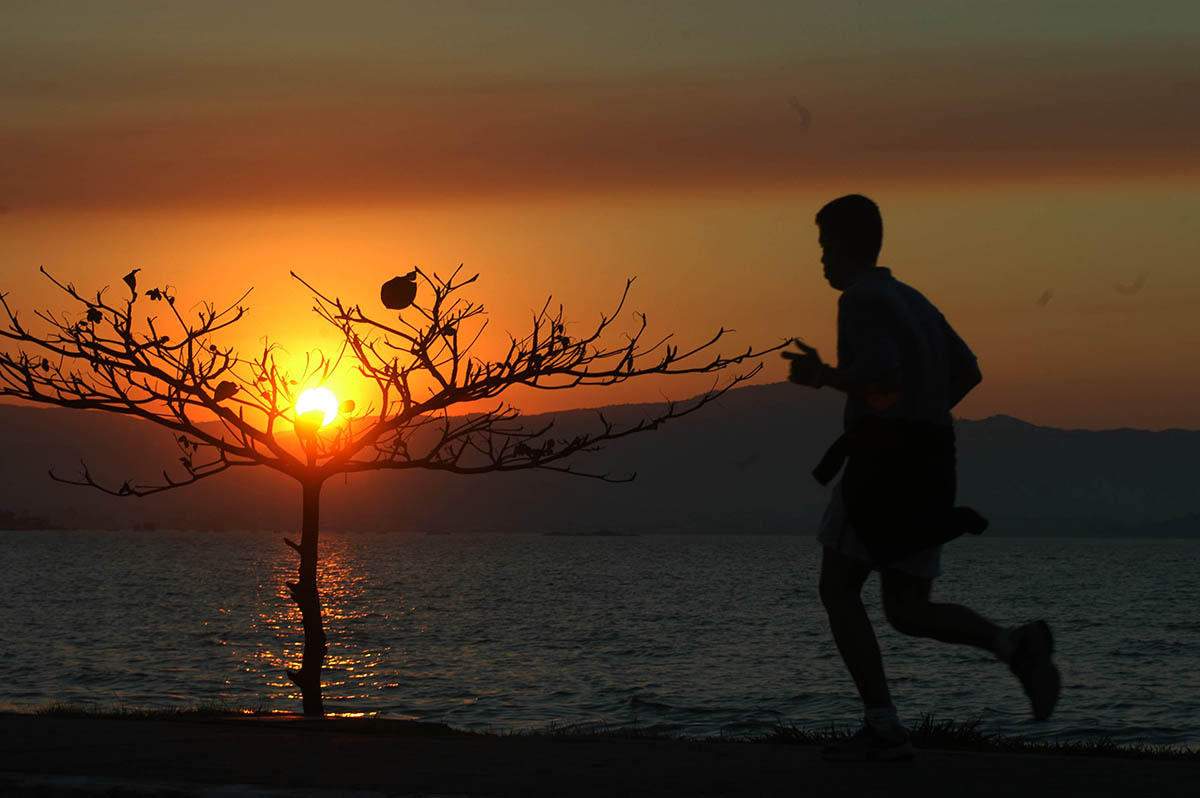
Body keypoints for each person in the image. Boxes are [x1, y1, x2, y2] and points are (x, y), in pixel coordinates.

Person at [784, 194, 1060, 762]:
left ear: (846, 244)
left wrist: (823, 377)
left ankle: (883, 725)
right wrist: (924, 412)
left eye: (824, 246)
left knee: (837, 589)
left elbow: (881, 375)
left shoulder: (861, 299)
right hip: (934, 461)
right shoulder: (912, 299)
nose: (821, 261)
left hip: (883, 466)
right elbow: (968, 371)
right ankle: (1015, 646)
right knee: (906, 610)